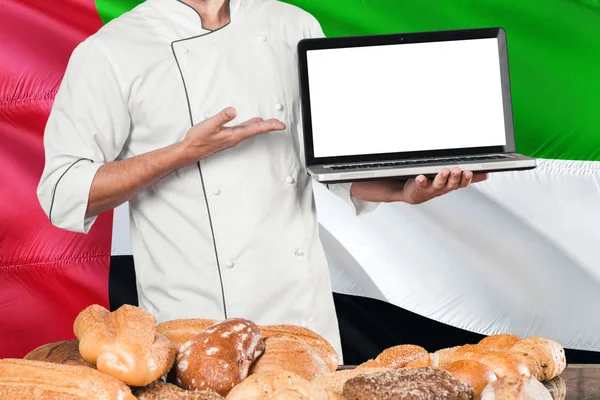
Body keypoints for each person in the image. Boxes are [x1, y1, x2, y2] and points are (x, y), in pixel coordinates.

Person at [37, 0, 487, 360]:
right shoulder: (113, 50)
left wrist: (403, 191)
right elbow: (63, 191)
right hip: (194, 329)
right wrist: (183, 153)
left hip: (303, 319)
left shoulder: (293, 25)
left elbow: (324, 164)